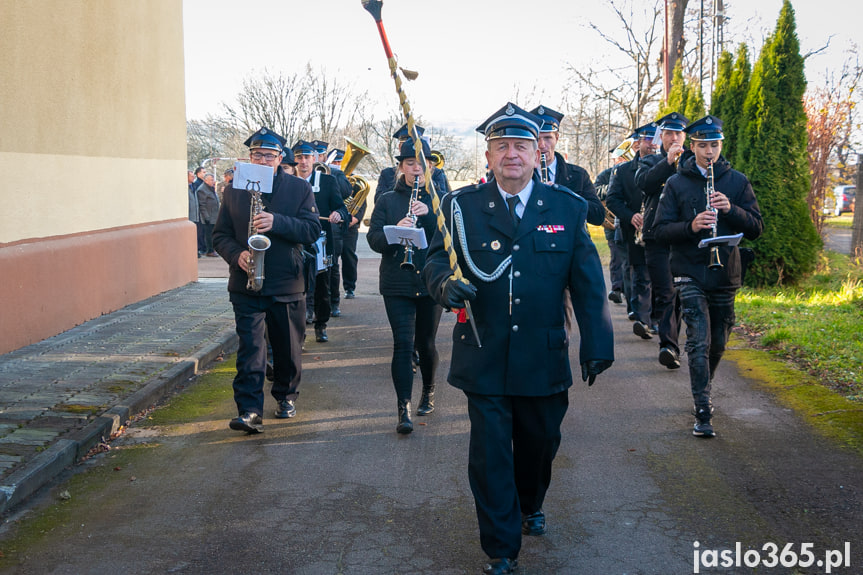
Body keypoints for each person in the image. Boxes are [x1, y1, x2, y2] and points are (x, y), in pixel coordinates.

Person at [423, 102, 614, 575]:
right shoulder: (459, 207)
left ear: (538, 153)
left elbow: (588, 283)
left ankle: (531, 502)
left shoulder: (567, 209)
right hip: (483, 351)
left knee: (540, 442)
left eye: (521, 145)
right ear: (487, 156)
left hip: (542, 356)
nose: (512, 153)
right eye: (501, 145)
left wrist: (597, 343)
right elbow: (433, 261)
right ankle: (501, 547)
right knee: (490, 454)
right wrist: (444, 286)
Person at [653, 115, 763, 437]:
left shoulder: (737, 182)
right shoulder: (676, 183)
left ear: (721, 145)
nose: (709, 152)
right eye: (703, 146)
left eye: (714, 145)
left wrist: (732, 210)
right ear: (692, 146)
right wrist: (691, 226)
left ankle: (704, 384)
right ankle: (703, 409)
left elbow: (756, 228)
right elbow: (658, 231)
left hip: (725, 273)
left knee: (717, 344)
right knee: (698, 341)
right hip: (689, 272)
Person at [213, 127, 321, 433]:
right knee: (251, 349)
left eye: (269, 156)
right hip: (246, 284)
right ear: (249, 157)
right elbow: (219, 235)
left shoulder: (299, 189)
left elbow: (312, 231)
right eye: (257, 154)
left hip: (286, 283)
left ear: (279, 158)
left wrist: (278, 222)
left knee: (287, 349)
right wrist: (237, 256)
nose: (262, 160)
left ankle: (286, 395)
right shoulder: (234, 189)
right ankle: (249, 410)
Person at [367, 137, 443, 434]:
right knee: (402, 343)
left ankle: (429, 390)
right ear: (400, 167)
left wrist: (433, 215)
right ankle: (404, 408)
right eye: (410, 164)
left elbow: (451, 240)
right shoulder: (387, 200)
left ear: (430, 168)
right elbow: (374, 239)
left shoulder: (440, 200)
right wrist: (396, 231)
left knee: (426, 343)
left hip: (429, 280)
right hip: (397, 281)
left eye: (422, 165)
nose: (417, 170)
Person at [635, 112, 690, 369]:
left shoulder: (692, 160)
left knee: (679, 293)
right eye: (669, 133)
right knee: (666, 291)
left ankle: (674, 341)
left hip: (685, 235)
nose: (674, 137)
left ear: (685, 136)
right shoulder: (650, 162)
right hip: (657, 236)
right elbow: (644, 184)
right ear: (662, 137)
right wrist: (667, 162)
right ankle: (669, 346)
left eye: (678, 133)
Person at [606, 122, 659, 339]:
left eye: (656, 139)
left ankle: (658, 319)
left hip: (664, 231)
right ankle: (643, 320)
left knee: (663, 278)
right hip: (636, 232)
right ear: (637, 143)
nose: (653, 145)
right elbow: (612, 199)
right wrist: (630, 216)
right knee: (641, 276)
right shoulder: (623, 170)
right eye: (648, 140)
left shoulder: (670, 166)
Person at [293, 139, 349, 342]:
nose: (303, 162)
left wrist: (337, 214)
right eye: (299, 157)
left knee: (321, 286)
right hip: (295, 242)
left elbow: (342, 208)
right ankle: (298, 327)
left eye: (307, 157)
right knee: (296, 286)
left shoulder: (327, 181)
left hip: (321, 243)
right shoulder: (287, 182)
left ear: (314, 159)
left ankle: (321, 324)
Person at [529, 105, 606, 226]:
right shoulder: (519, 175)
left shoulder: (578, 175)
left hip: (568, 243)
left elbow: (598, 216)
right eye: (537, 139)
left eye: (548, 138)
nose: (542, 145)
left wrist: (565, 196)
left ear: (557, 138)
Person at [594, 140, 633, 304]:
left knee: (629, 260)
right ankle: (617, 289)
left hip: (630, 220)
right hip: (611, 223)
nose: (620, 159)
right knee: (617, 256)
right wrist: (613, 187)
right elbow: (596, 191)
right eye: (619, 157)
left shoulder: (633, 171)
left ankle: (629, 291)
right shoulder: (605, 174)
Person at [375, 123, 450, 201]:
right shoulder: (387, 173)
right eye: (410, 163)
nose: (416, 167)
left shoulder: (436, 173)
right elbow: (378, 201)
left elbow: (445, 201)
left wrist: (424, 180)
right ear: (400, 147)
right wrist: (402, 182)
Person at [196, 173, 220, 257]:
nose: (213, 181)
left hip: (214, 216)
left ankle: (213, 249)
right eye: (211, 180)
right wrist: (206, 217)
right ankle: (209, 250)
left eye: (213, 180)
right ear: (205, 180)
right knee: (209, 235)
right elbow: (202, 204)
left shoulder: (211, 188)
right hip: (208, 217)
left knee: (213, 234)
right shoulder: (202, 189)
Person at [188, 171, 202, 258]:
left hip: (196, 215)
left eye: (193, 176)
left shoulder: (194, 187)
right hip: (189, 216)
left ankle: (196, 250)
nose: (193, 178)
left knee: (196, 234)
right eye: (191, 176)